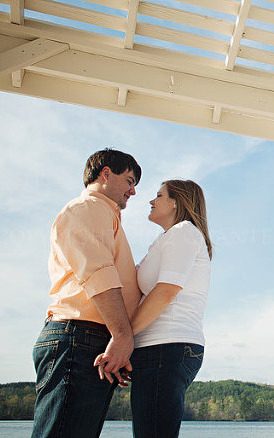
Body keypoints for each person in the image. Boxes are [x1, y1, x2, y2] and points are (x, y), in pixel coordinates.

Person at [32, 149, 142, 438]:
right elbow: (98, 274)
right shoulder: (90, 208)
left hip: (88, 341)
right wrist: (122, 336)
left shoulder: (103, 214)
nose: (133, 191)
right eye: (129, 181)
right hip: (79, 339)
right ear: (105, 173)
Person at [96, 179, 213, 438]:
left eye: (159, 196)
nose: (151, 200)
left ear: (176, 202)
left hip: (167, 347)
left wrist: (123, 339)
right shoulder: (168, 238)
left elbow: (166, 291)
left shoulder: (183, 232)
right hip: (158, 350)